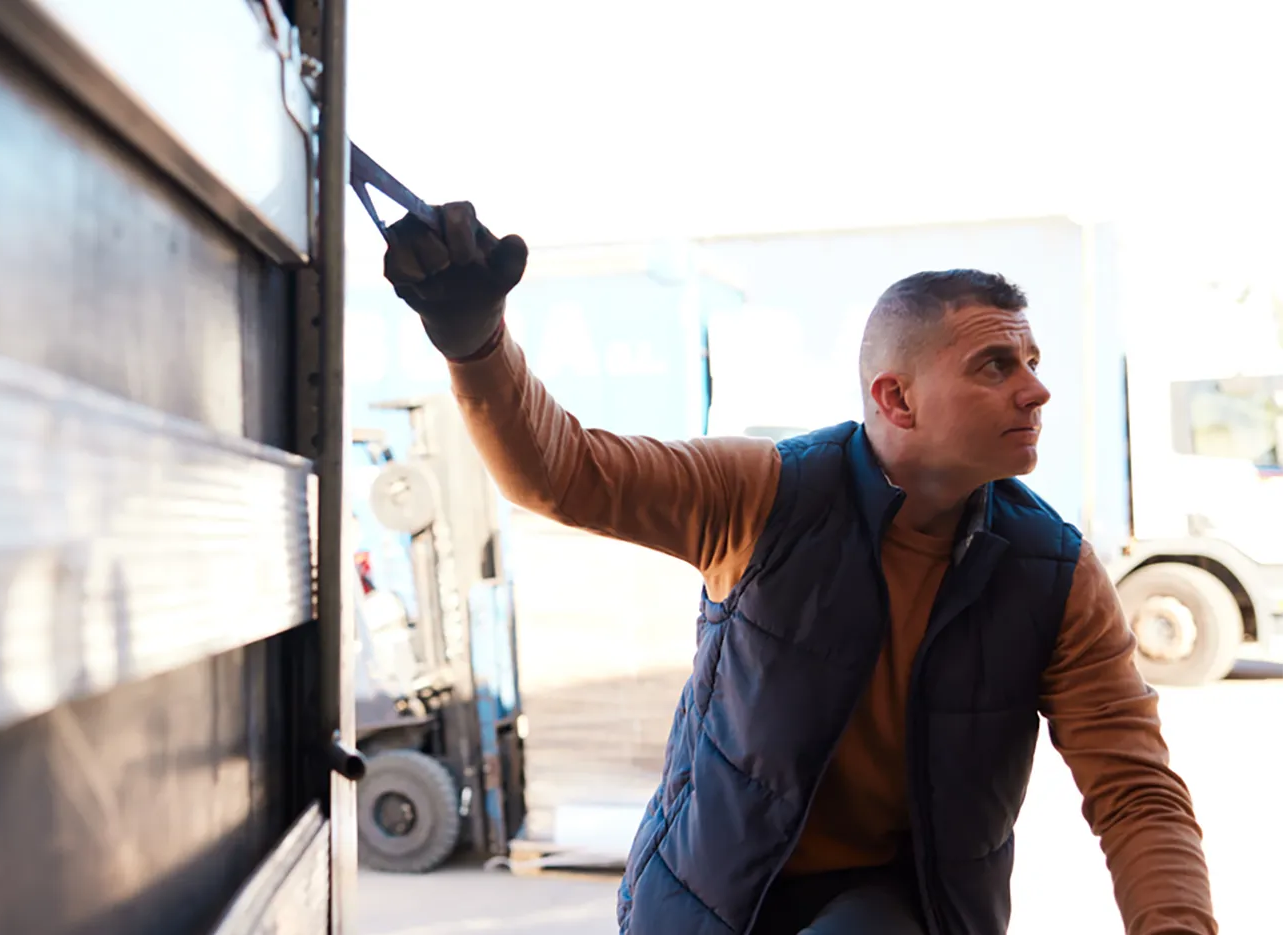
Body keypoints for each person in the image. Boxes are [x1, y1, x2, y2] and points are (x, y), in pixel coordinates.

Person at [380, 203, 1216, 935]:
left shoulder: (1054, 573)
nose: (1035, 391)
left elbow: (1135, 790)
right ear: (896, 399)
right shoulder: (764, 495)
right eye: (997, 365)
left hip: (906, 905)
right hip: (712, 902)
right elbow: (564, 474)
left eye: (1033, 362)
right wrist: (475, 340)